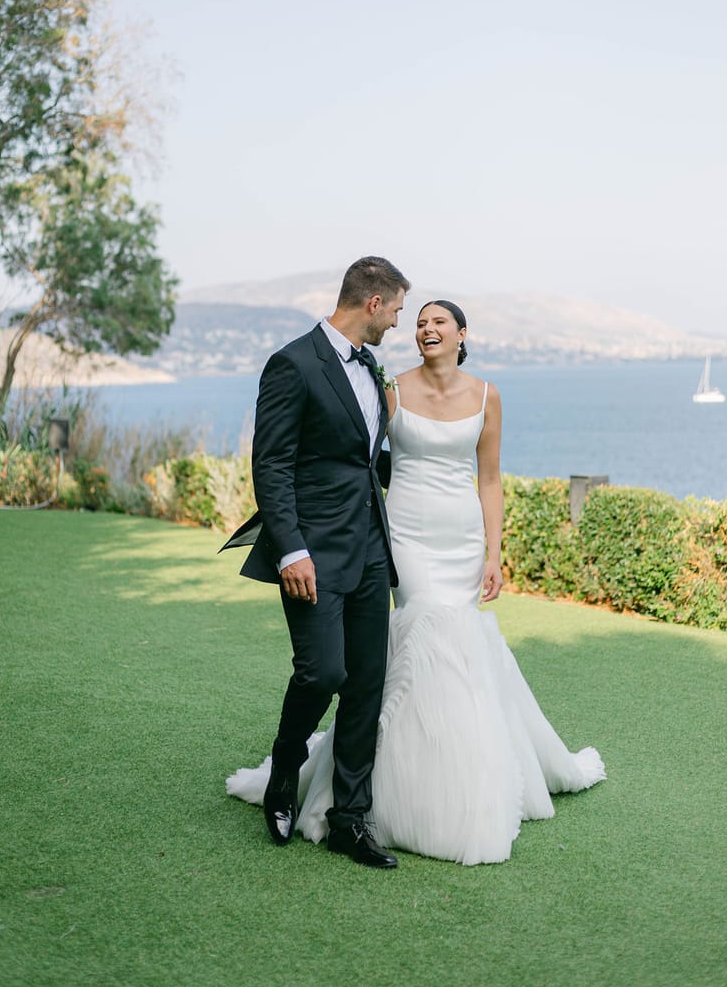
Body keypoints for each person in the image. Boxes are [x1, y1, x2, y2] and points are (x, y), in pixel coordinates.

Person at [228, 299, 605, 865]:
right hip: (402, 534)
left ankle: (453, 781)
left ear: (461, 335)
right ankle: (371, 796)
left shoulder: (487, 396)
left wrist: (494, 552)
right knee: (415, 646)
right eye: (419, 321)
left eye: (438, 322)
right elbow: (354, 455)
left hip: (461, 536)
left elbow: (491, 478)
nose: (425, 328)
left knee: (454, 651)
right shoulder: (390, 389)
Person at [223, 256, 410, 869]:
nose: (398, 324)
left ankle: (349, 821)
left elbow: (363, 460)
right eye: (397, 311)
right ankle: (284, 767)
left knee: (366, 685)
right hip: (313, 553)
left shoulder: (372, 368)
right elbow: (272, 465)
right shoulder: (293, 363)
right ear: (373, 303)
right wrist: (292, 549)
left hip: (371, 553)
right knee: (322, 673)